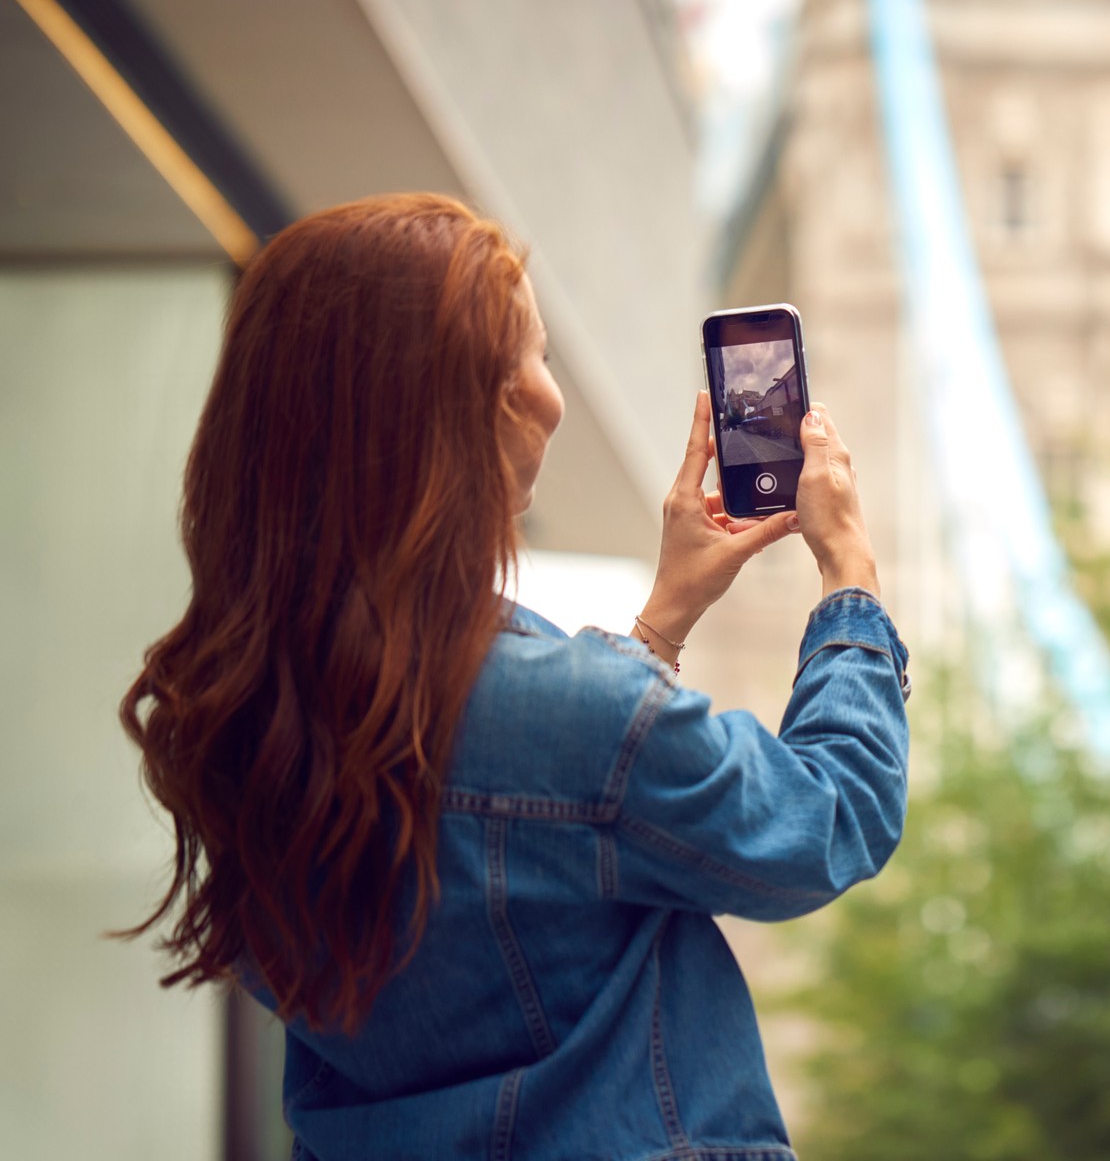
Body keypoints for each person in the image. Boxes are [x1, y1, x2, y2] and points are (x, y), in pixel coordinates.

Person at [119, 193, 910, 1160]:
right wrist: (851, 581)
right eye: (526, 358)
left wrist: (662, 621)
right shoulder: (570, 718)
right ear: (452, 409)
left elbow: (528, 837)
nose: (551, 396)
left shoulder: (243, 724)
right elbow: (829, 819)